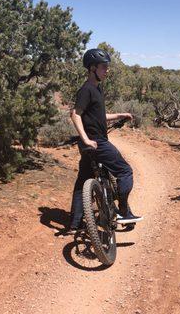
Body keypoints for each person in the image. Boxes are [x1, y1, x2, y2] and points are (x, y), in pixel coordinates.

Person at [69, 48, 143, 232]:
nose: (107, 70)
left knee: (82, 181)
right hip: (96, 142)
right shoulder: (87, 89)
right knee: (125, 172)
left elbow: (98, 115)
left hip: (89, 145)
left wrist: (120, 115)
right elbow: (75, 114)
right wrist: (86, 139)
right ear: (92, 68)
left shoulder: (96, 89)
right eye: (104, 67)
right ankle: (122, 211)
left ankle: (75, 224)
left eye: (107, 67)